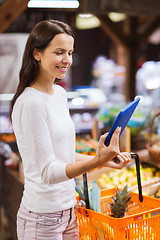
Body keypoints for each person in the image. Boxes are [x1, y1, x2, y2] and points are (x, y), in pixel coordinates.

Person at [10, 19, 131, 240]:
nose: (67, 60)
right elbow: (47, 172)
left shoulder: (60, 94)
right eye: (59, 52)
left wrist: (102, 160)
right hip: (42, 218)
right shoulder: (30, 102)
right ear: (37, 54)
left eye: (70, 52)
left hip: (69, 212)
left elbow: (63, 156)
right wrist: (95, 162)